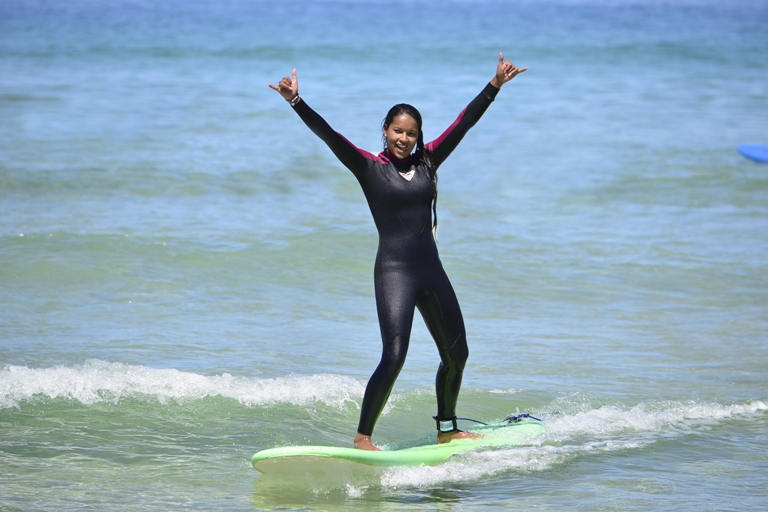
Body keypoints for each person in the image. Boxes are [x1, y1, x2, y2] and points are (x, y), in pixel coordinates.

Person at [269, 53, 526, 451]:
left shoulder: (429, 160)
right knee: (394, 354)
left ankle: (447, 427)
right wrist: (296, 102)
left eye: (411, 133)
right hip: (395, 272)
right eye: (397, 131)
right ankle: (362, 437)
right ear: (386, 131)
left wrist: (494, 86)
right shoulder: (369, 167)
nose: (404, 139)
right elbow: (330, 135)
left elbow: (464, 123)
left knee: (457, 354)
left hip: (431, 270)